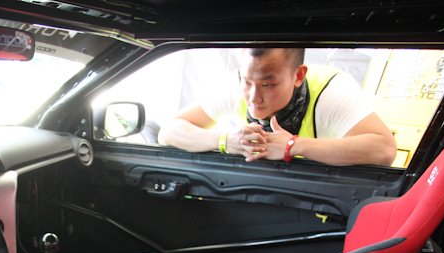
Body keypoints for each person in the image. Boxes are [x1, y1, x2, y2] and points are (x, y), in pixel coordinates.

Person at [158, 48, 397, 166]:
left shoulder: (331, 90)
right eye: (247, 82)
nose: (254, 97)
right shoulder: (235, 85)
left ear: (298, 75)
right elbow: (169, 131)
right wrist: (225, 141)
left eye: (268, 85)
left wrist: (295, 145)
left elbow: (384, 149)